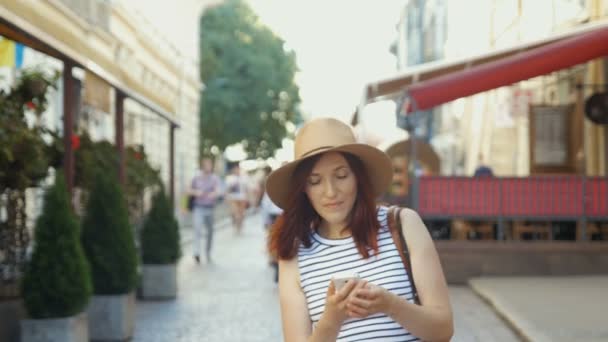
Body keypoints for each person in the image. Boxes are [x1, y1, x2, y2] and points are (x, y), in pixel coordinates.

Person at [266, 118, 453, 341]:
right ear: (303, 189)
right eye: (314, 181)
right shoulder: (295, 254)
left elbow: (443, 331)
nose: (330, 192)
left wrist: (390, 304)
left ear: (358, 176)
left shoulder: (404, 224)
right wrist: (331, 319)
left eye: (341, 175)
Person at [189, 157, 222, 264]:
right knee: (197, 229)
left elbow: (218, 191)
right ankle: (196, 252)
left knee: (210, 232)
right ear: (202, 166)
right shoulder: (196, 177)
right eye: (206, 164)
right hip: (198, 207)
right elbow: (188, 190)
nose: (208, 166)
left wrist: (214, 194)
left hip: (210, 208)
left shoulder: (214, 178)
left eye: (209, 164)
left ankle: (208, 252)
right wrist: (196, 192)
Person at [225, 162, 249, 234]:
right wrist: (226, 197)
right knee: (234, 213)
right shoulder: (230, 178)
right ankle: (235, 225)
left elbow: (246, 189)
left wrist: (247, 197)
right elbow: (227, 189)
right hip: (233, 198)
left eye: (238, 169)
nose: (237, 170)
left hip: (242, 198)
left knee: (241, 213)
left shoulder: (244, 177)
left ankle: (240, 226)